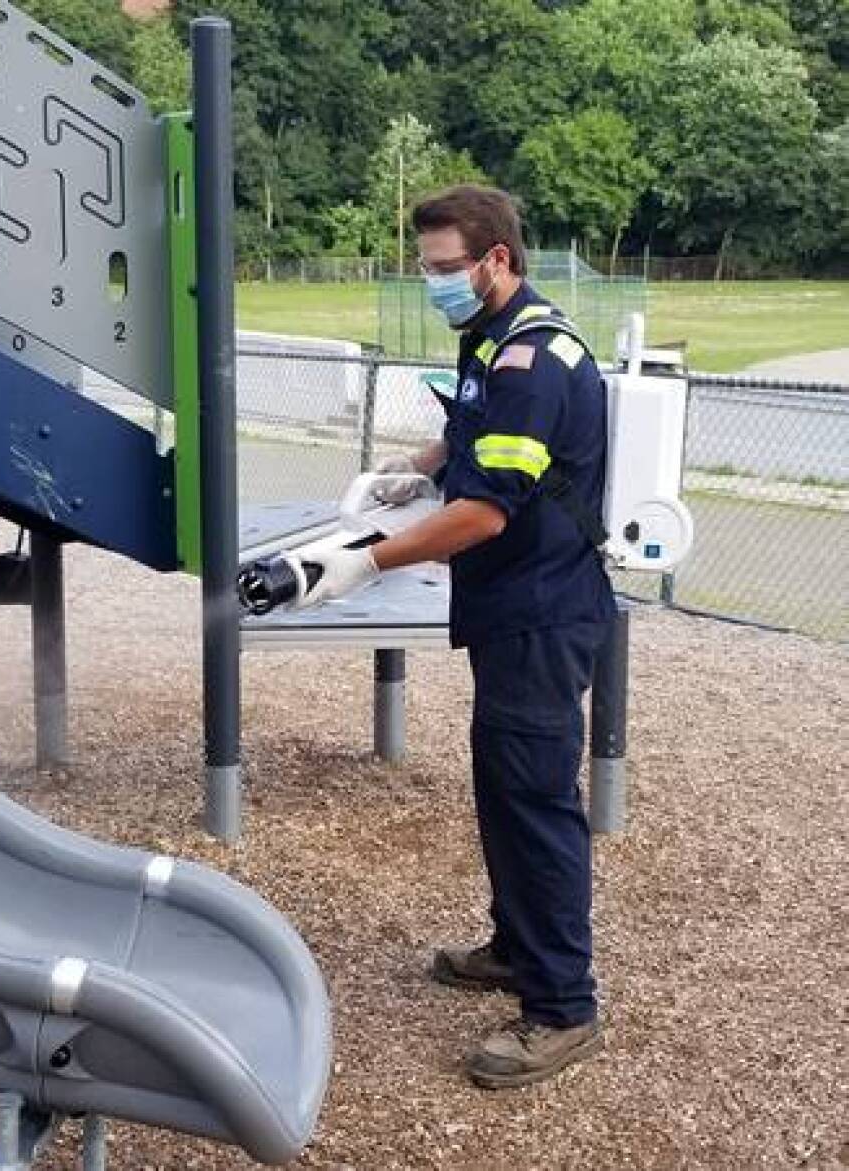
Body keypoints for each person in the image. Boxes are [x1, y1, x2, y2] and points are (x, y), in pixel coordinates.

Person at [296, 184, 616, 1089]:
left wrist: (370, 560)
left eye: (445, 269)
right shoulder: (490, 339)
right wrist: (413, 467)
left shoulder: (537, 359)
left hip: (545, 612)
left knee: (538, 803)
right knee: (506, 789)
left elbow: (482, 514)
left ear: (497, 261)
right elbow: (469, 437)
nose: (435, 282)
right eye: (427, 267)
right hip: (512, 609)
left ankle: (563, 1008)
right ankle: (519, 948)